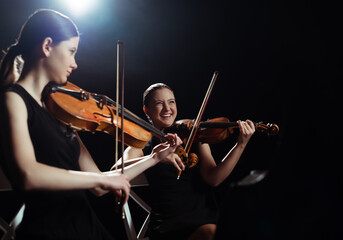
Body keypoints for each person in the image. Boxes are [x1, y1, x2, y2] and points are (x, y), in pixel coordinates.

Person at [0, 9, 181, 239]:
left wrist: (155, 157)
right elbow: (28, 175)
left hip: (83, 224)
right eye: (71, 51)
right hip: (49, 230)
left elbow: (98, 183)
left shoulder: (57, 110)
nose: (74, 63)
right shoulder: (13, 100)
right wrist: (99, 180)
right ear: (47, 46)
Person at [111, 83, 255, 240]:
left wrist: (240, 145)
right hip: (169, 225)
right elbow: (115, 171)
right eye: (159, 103)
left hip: (204, 218)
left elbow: (213, 178)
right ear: (146, 110)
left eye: (171, 101)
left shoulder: (194, 135)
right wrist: (155, 157)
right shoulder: (143, 144)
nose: (167, 109)